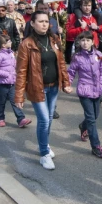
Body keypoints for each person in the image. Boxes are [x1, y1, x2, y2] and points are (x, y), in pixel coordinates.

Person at [15, 11, 72, 170]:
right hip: (37, 88)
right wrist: (19, 95)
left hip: (53, 87)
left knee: (49, 119)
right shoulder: (26, 44)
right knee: (44, 120)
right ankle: (44, 154)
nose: (44, 24)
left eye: (46, 21)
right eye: (40, 21)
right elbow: (20, 72)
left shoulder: (54, 39)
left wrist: (66, 82)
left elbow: (61, 63)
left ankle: (44, 145)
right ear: (32, 24)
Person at [67, 31, 102, 158]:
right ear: (79, 42)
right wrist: (67, 84)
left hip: (97, 90)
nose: (85, 43)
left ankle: (82, 126)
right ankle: (96, 146)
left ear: (93, 42)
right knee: (91, 119)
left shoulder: (99, 54)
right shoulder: (77, 57)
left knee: (95, 116)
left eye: (88, 40)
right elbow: (71, 72)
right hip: (84, 91)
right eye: (83, 40)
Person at [0, 35, 32, 128]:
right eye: (9, 41)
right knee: (1, 101)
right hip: (1, 84)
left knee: (15, 100)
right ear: (3, 45)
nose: (11, 42)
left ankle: (21, 119)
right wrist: (7, 74)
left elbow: (14, 65)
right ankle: (0, 118)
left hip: (12, 83)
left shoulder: (11, 53)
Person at [65, 0, 102, 64]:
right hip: (82, 50)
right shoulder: (76, 18)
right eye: (85, 5)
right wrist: (81, 28)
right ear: (81, 7)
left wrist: (97, 27)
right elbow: (69, 33)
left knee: (98, 69)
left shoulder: (95, 17)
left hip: (95, 48)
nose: (87, 8)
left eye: (89, 5)